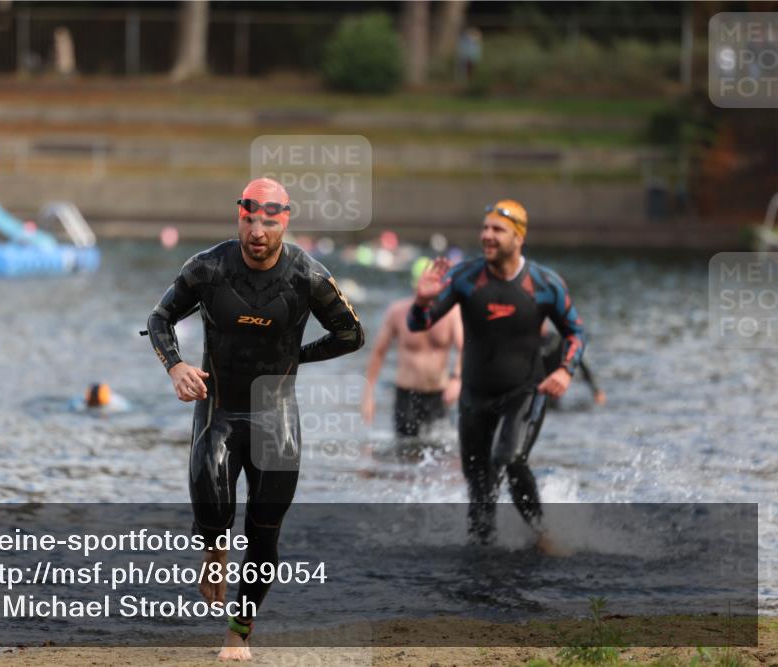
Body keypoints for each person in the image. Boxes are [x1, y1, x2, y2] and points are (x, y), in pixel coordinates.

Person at [147, 178, 364, 660]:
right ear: (239, 217)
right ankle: (213, 549)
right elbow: (160, 319)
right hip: (218, 409)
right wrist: (177, 366)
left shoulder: (308, 276)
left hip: (276, 416)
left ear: (285, 219)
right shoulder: (207, 268)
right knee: (211, 503)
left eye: (270, 220)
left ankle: (238, 633)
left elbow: (351, 335)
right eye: (250, 219)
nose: (258, 231)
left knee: (265, 536)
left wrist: (294, 357)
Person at [407, 199, 586, 545]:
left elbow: (576, 332)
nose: (487, 235)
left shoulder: (545, 283)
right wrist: (422, 302)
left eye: (497, 230)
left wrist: (565, 370)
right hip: (475, 395)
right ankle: (482, 554)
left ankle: (542, 535)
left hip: (524, 391)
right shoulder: (465, 277)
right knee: (479, 485)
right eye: (485, 228)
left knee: (510, 459)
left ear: (519, 238)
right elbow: (420, 324)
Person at [361, 258, 463, 440]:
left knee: (441, 457)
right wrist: (368, 396)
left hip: (439, 396)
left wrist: (457, 379)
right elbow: (378, 353)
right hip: (406, 395)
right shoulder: (397, 312)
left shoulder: (451, 314)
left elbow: (465, 349)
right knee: (404, 454)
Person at [541, 324, 606, 408]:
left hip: (552, 392)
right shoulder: (524, 343)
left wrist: (596, 391)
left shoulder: (558, 341)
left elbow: (581, 364)